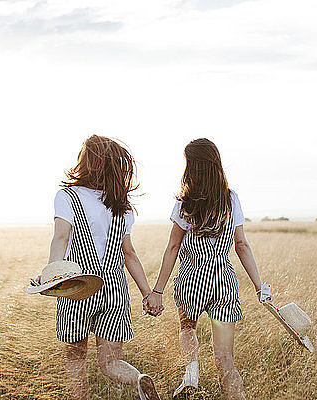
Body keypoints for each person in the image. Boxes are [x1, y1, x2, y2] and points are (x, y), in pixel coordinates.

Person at [144, 138, 263, 400]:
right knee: (224, 357)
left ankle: (192, 370)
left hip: (191, 282)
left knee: (187, 328)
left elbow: (173, 247)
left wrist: (157, 290)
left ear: (192, 167)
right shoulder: (231, 200)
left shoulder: (185, 203)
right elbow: (241, 245)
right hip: (223, 284)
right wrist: (258, 285)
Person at [46, 135, 161, 400]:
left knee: (75, 361)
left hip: (79, 288)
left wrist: (53, 272)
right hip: (114, 290)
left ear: (86, 162)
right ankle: (139, 379)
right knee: (109, 363)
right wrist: (147, 293)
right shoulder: (122, 206)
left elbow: (61, 237)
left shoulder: (67, 196)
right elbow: (129, 254)